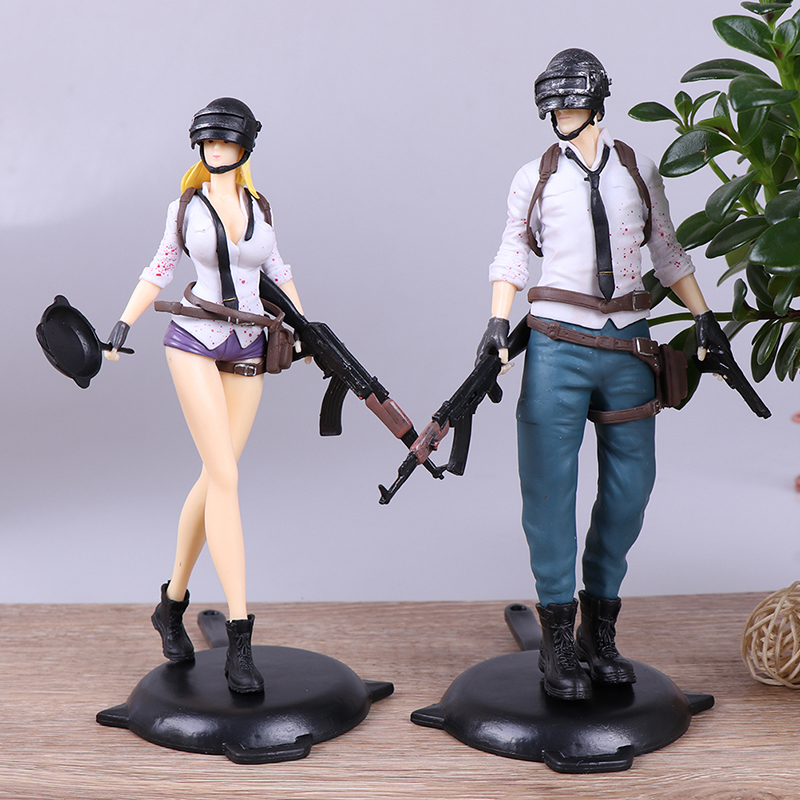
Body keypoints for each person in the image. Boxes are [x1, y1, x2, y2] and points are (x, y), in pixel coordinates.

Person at [477, 50, 727, 701]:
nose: (561, 116)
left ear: (595, 101)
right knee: (549, 492)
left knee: (630, 488)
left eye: (571, 103)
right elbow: (513, 248)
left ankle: (600, 628)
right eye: (553, 107)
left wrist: (703, 317)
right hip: (557, 344)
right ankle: (558, 636)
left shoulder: (637, 168)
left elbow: (666, 247)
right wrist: (498, 321)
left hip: (628, 346)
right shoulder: (534, 176)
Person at [105, 98, 306, 693]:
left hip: (249, 344)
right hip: (193, 338)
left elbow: (280, 271)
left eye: (227, 142)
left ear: (244, 148)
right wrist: (123, 321)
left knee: (216, 477)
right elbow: (160, 266)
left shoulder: (261, 207)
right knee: (226, 479)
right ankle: (240, 635)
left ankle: (170, 604)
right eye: (208, 142)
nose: (216, 150)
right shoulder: (184, 207)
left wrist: (307, 328)